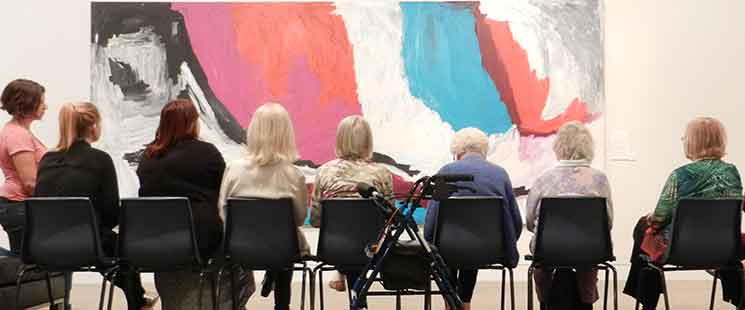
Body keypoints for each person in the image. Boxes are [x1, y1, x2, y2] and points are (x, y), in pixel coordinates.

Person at [35, 102, 156, 310]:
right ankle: (138, 302)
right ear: (93, 127)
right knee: (124, 249)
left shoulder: (47, 159)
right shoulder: (100, 160)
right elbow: (111, 215)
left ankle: (140, 298)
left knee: (105, 244)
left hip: (44, 245)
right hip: (87, 244)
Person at [137, 99, 249, 310]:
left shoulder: (148, 158)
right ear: (191, 123)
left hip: (159, 239)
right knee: (237, 247)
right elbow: (221, 194)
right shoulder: (207, 153)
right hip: (202, 239)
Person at [624, 117, 743, 309]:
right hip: (724, 249)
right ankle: (739, 299)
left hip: (682, 249)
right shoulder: (732, 173)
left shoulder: (680, 175)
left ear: (693, 141)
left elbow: (659, 219)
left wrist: (649, 219)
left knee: (642, 228)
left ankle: (647, 301)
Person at [217, 102, 308, 310]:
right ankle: (281, 304)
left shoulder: (233, 169)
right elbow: (300, 218)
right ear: (286, 134)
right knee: (286, 244)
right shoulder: (294, 174)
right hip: (283, 249)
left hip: (239, 247)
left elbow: (224, 212)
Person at [422, 127, 522, 310]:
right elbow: (515, 221)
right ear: (484, 150)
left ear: (457, 152)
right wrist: (505, 244)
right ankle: (465, 303)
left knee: (451, 246)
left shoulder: (447, 171)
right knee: (472, 245)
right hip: (488, 249)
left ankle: (451, 304)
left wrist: (427, 244)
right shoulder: (500, 174)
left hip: (449, 248)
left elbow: (431, 223)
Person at [525, 121, 613, 310]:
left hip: (548, 247)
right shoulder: (599, 179)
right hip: (590, 247)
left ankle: (545, 298)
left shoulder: (544, 179)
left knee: (542, 258)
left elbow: (531, 221)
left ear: (559, 147)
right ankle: (586, 297)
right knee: (587, 255)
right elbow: (608, 221)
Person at [310, 115, 394, 296]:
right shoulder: (382, 173)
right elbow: (391, 218)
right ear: (368, 141)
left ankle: (351, 290)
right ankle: (357, 300)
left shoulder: (324, 172)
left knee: (349, 249)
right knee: (361, 245)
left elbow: (316, 220)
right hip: (372, 250)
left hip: (334, 249)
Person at [0, 79, 47, 254]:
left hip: (18, 205)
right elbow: (30, 183)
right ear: (27, 104)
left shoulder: (17, 131)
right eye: (41, 102)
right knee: (26, 262)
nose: (45, 106)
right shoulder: (17, 135)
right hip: (19, 205)